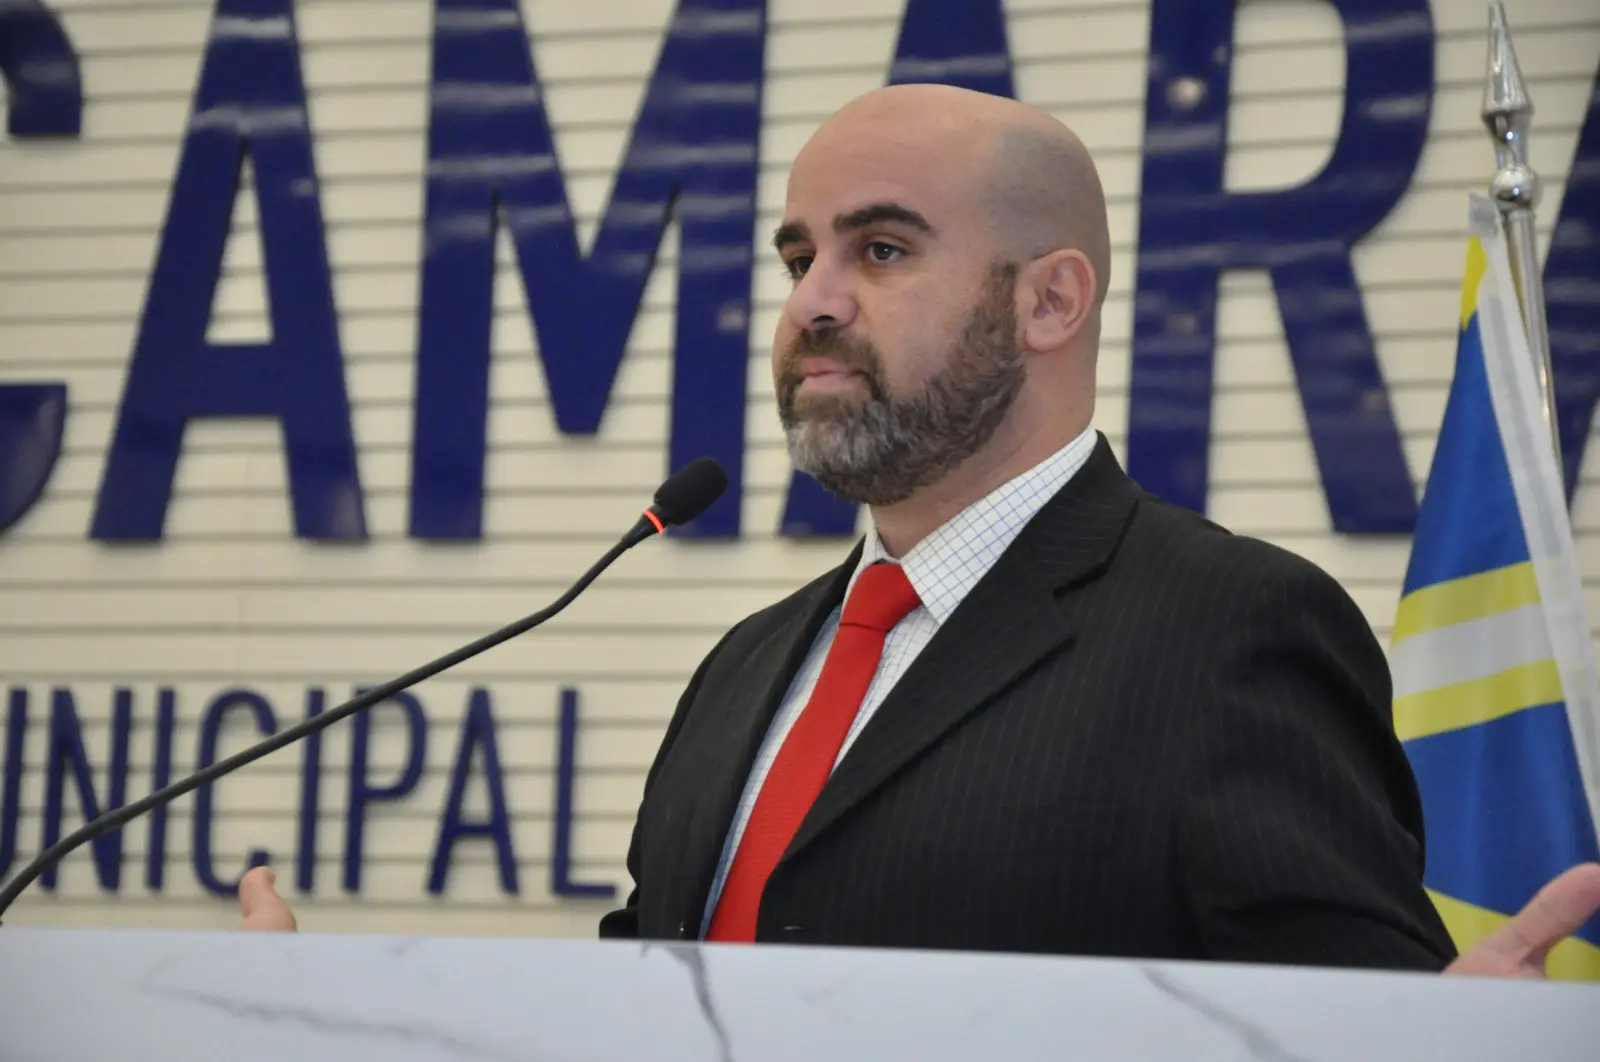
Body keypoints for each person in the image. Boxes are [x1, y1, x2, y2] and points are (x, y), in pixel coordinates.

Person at [237, 84, 1600, 976]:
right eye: (798, 256)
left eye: (880, 250)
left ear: (1050, 301)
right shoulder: (747, 665)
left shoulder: (1229, 632)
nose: (811, 302)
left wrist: (1431, 1037)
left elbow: (1340, 1018)